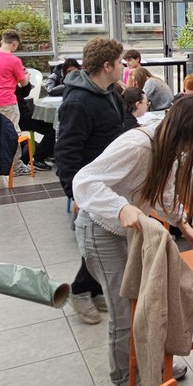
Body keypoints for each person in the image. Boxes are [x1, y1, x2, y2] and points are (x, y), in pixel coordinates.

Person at [73, 96, 193, 386]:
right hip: (100, 230)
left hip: (127, 232)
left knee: (147, 302)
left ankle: (152, 364)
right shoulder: (139, 145)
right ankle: (124, 380)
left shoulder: (167, 149)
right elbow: (84, 181)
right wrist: (120, 208)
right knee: (124, 311)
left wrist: (184, 224)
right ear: (187, 130)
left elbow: (165, 192)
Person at [54, 37, 141, 325]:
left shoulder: (111, 91)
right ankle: (80, 290)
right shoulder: (78, 102)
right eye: (119, 63)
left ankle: (94, 289)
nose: (123, 67)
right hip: (90, 185)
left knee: (108, 239)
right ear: (106, 66)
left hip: (108, 179)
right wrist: (75, 194)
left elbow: (120, 126)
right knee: (97, 240)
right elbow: (66, 152)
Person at [0, 29, 32, 174]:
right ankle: (16, 166)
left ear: (2, 41)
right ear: (14, 44)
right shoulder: (14, 60)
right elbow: (23, 83)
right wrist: (26, 76)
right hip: (5, 101)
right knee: (12, 133)